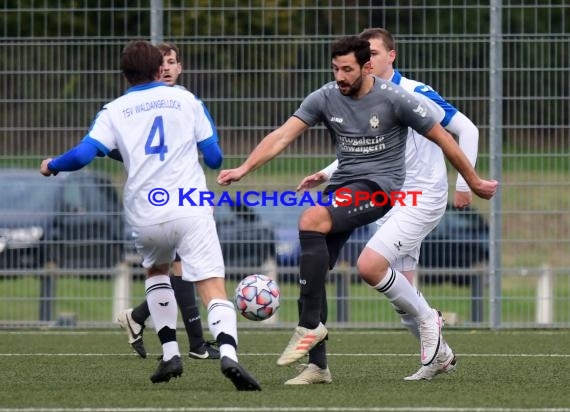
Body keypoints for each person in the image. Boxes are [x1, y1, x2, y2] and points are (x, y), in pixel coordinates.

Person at [217, 35, 497, 384]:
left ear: (368, 66)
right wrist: (245, 168)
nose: (340, 76)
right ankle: (318, 366)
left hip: (384, 191)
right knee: (319, 266)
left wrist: (471, 182)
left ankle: (310, 326)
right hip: (347, 188)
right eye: (335, 68)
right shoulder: (326, 96)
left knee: (317, 224)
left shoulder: (400, 97)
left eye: (347, 69)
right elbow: (282, 136)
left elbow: (446, 138)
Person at [40, 40, 260, 390]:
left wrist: (52, 165)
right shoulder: (187, 100)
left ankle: (171, 352)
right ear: (160, 69)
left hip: (144, 212)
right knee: (211, 285)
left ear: (125, 74)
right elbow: (215, 158)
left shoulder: (113, 110)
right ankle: (229, 353)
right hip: (189, 207)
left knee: (157, 271)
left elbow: (84, 154)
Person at [290, 27, 480, 383]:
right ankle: (439, 354)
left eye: (374, 53)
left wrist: (464, 184)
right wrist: (327, 171)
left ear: (390, 56)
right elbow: (365, 150)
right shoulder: (363, 97)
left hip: (420, 196)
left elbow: (467, 129)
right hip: (384, 195)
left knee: (371, 266)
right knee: (401, 291)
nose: (367, 61)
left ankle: (431, 322)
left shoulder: (414, 92)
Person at [115, 42, 220, 361]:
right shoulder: (137, 107)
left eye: (172, 62)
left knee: (181, 267)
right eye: (161, 63)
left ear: (180, 67)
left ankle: (138, 317)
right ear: (152, 70)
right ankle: (197, 345)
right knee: (182, 267)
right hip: (156, 200)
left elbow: (209, 151)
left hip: (186, 194)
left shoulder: (186, 102)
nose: (167, 68)